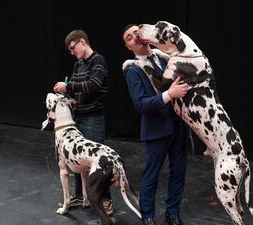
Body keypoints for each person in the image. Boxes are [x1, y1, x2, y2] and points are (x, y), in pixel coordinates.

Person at [122, 24, 189, 225]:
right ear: (129, 47)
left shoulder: (164, 57)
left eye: (136, 33)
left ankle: (172, 213)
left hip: (179, 126)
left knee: (179, 173)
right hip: (156, 130)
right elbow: (141, 104)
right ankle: (148, 216)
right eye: (129, 37)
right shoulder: (132, 69)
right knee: (151, 176)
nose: (135, 37)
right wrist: (169, 95)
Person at [53, 29, 113, 216]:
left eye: (73, 48)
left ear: (81, 42)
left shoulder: (98, 60)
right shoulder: (78, 64)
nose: (73, 53)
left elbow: (94, 85)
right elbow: (78, 89)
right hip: (78, 117)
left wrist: (68, 86)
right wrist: (67, 94)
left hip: (93, 118)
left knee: (98, 160)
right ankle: (80, 195)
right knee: (77, 159)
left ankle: (106, 200)